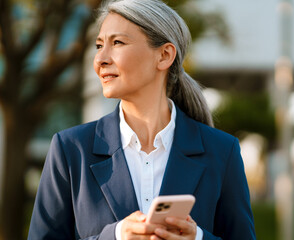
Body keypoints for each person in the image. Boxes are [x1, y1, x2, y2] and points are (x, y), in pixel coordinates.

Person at [28, 0, 256, 239]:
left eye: (117, 43)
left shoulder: (222, 151)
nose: (100, 60)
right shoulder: (70, 150)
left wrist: (198, 237)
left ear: (164, 55)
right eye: (98, 45)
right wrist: (114, 236)